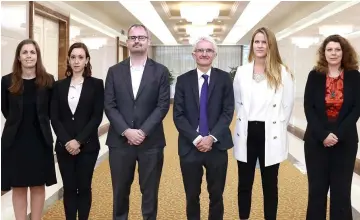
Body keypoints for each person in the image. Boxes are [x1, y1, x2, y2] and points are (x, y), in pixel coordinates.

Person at [104, 24, 170, 220]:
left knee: (149, 194)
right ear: (127, 42)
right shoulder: (114, 71)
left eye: (141, 37)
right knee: (119, 193)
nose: (137, 41)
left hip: (151, 143)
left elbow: (163, 105)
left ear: (148, 42)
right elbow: (109, 105)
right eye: (133, 38)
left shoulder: (160, 71)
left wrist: (142, 131)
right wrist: (126, 130)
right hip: (120, 142)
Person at [233, 27, 295, 220]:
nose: (260, 46)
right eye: (256, 42)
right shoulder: (242, 72)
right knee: (244, 183)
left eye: (264, 42)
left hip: (270, 133)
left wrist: (277, 127)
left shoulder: (282, 72)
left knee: (270, 185)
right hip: (247, 132)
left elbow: (287, 105)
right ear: (252, 45)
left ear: (271, 45)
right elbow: (238, 103)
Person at [173, 36, 234, 220]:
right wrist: (197, 138)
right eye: (200, 50)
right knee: (192, 196)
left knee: (216, 195)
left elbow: (228, 111)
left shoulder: (224, 78)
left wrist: (211, 137)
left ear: (214, 54)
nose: (204, 54)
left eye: (208, 50)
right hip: (190, 147)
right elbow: (178, 115)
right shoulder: (183, 80)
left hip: (217, 145)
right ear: (194, 54)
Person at [303, 34, 360, 220]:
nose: (333, 53)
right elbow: (308, 107)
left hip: (345, 143)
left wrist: (337, 134)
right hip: (316, 143)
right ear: (324, 53)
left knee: (341, 193)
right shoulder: (315, 75)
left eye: (337, 49)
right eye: (329, 49)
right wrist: (323, 135)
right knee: (317, 192)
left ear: (344, 52)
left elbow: (357, 108)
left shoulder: (354, 76)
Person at [1, 39, 56, 220]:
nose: (29, 56)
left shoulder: (48, 81)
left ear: (37, 56)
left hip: (40, 140)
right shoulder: (7, 81)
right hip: (15, 141)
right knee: (18, 186)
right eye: (25, 52)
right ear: (18, 57)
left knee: (38, 185)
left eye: (32, 52)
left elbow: (50, 110)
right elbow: (6, 110)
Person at [50, 42, 104, 220]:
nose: (76, 61)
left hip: (87, 146)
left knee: (84, 186)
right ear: (68, 60)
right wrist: (67, 141)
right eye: (73, 57)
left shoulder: (96, 85)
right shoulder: (58, 86)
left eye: (81, 57)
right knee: (70, 188)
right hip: (64, 147)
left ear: (87, 60)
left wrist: (78, 141)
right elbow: (54, 117)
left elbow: (96, 117)